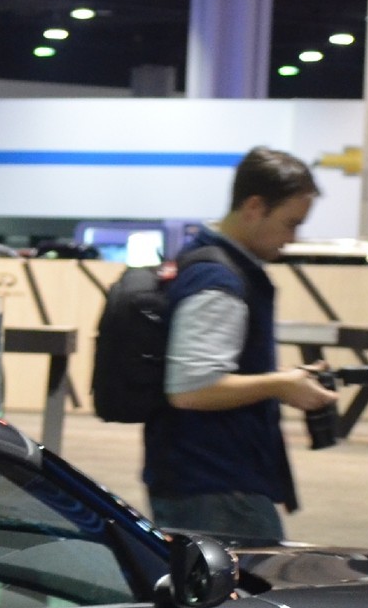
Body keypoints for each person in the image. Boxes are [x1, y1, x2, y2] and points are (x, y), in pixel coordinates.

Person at [144, 147, 338, 545]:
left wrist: (282, 380)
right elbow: (191, 389)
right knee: (246, 602)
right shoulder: (219, 279)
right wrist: (280, 386)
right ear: (254, 206)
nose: (292, 238)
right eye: (290, 223)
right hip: (215, 486)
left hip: (206, 479)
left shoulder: (210, 262)